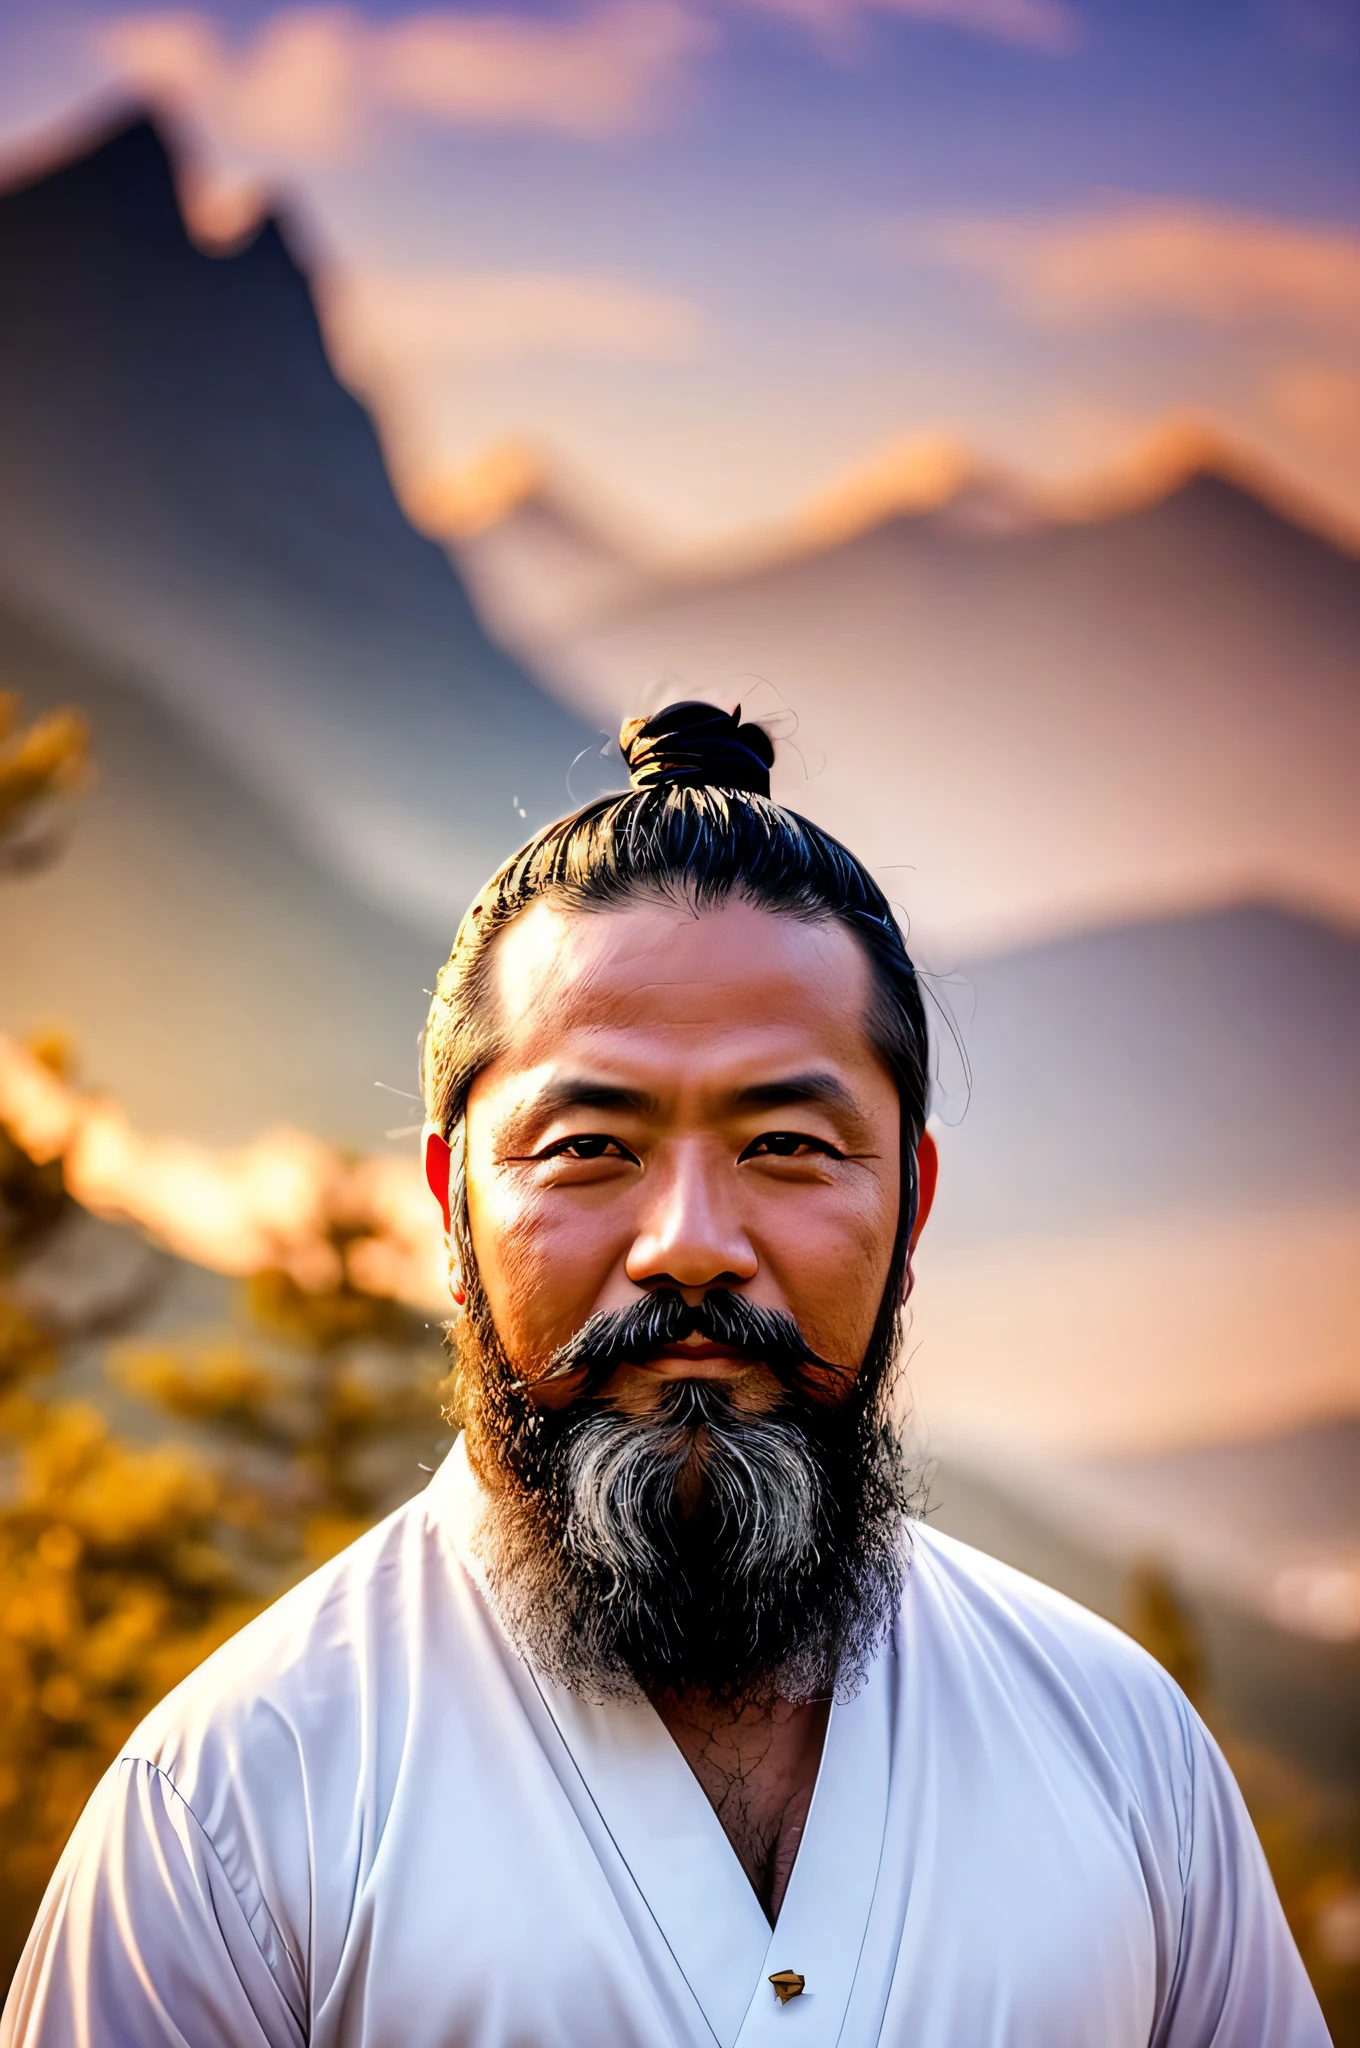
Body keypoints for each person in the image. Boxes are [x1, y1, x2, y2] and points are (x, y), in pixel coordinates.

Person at [2, 702, 1326, 2047]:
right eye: (589, 1144)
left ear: (910, 1209)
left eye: (788, 1145)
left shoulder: (1122, 1758)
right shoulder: (227, 1811)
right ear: (452, 1207)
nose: (691, 1244)